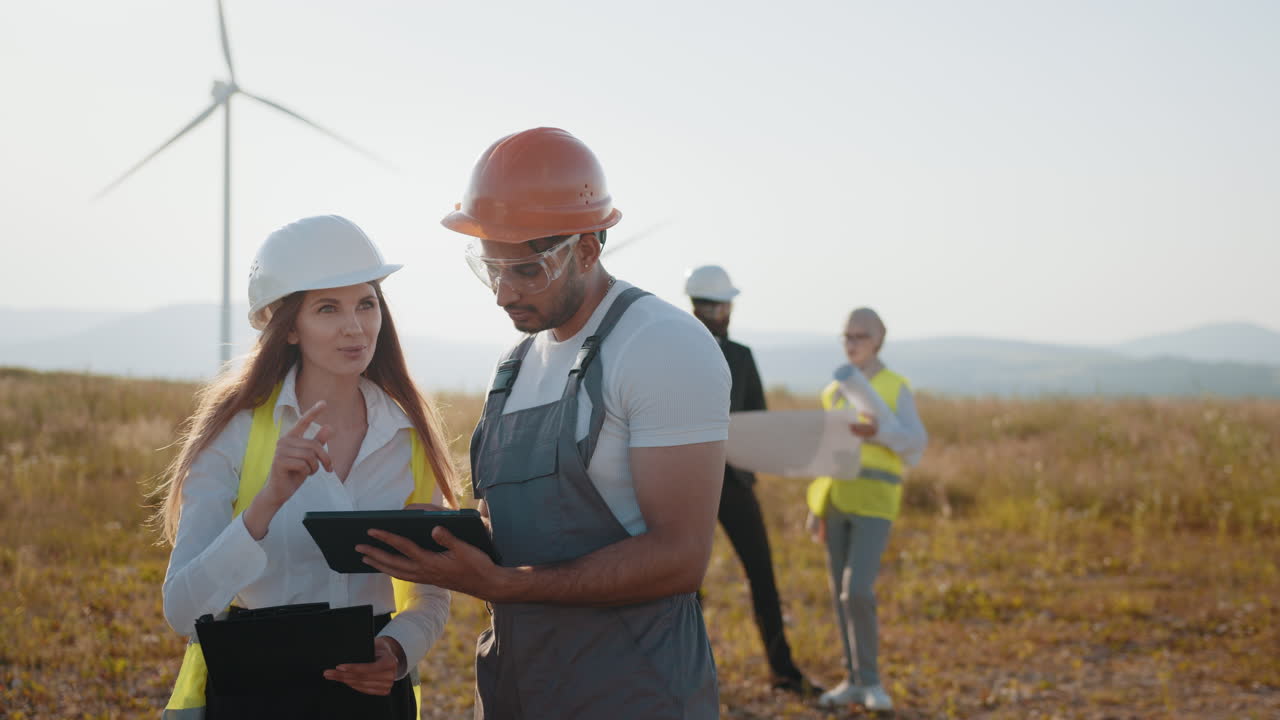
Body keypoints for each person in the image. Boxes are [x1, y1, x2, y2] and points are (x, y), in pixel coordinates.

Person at [357, 127, 730, 719]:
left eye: (527, 271)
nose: (503, 294)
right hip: (515, 685)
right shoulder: (512, 366)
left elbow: (680, 557)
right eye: (491, 269)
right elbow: (526, 526)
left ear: (586, 250)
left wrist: (506, 586)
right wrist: (453, 535)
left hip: (631, 692)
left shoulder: (661, 346)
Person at [156, 215, 457, 719]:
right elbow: (183, 611)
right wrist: (269, 499)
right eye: (327, 308)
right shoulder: (235, 431)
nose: (354, 326)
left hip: (373, 697)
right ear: (289, 327)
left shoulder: (408, 436)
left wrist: (398, 648)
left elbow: (429, 593)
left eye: (366, 303)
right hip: (257, 691)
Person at [683, 264, 821, 695]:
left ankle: (783, 671)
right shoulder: (680, 352)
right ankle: (688, 676)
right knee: (688, 584)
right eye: (716, 306)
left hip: (732, 482)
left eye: (722, 306)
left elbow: (758, 420)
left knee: (760, 575)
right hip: (691, 486)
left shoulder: (734, 355)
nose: (721, 313)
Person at [809, 307, 928, 713]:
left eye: (860, 335)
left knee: (857, 590)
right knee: (839, 596)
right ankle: (853, 681)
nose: (852, 342)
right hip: (835, 501)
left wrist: (879, 433)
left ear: (878, 339)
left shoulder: (895, 386)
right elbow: (827, 453)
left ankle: (872, 682)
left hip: (875, 502)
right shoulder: (833, 390)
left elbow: (915, 443)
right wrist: (816, 507)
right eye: (847, 335)